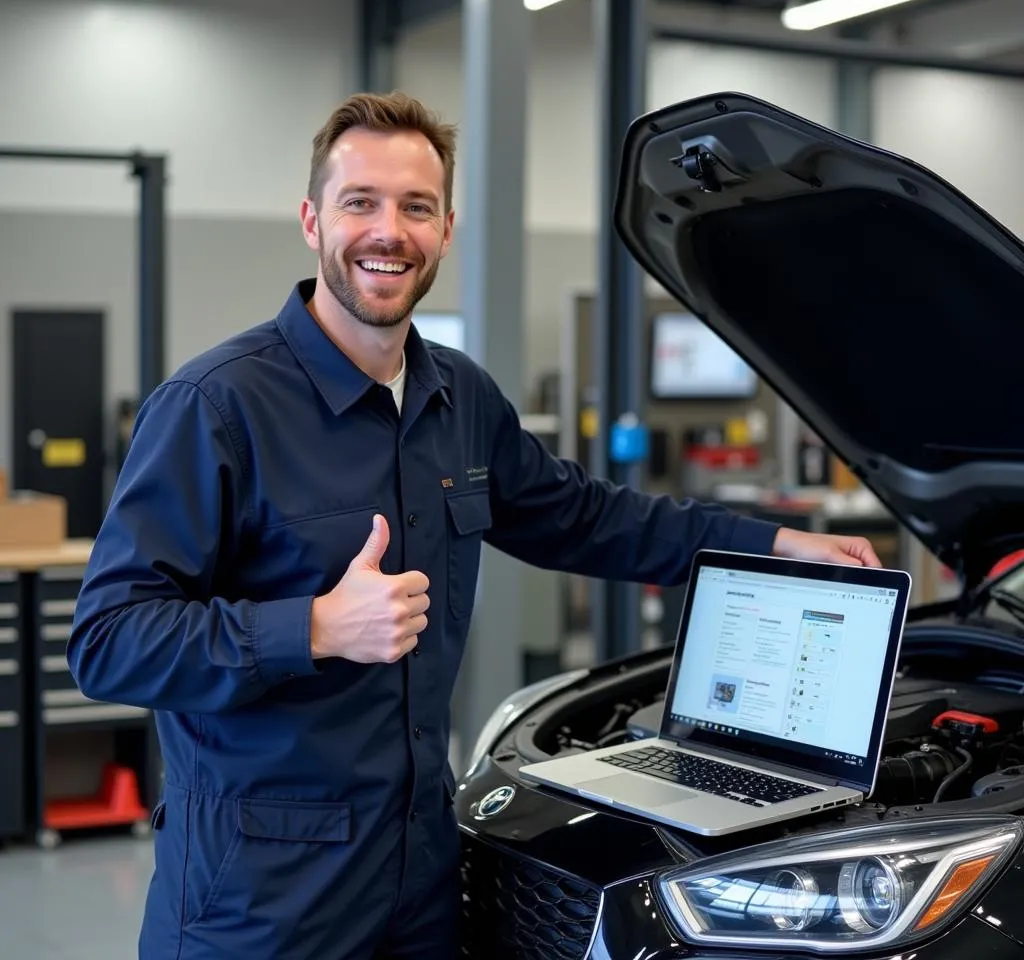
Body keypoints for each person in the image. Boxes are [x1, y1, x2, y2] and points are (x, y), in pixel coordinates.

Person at [67, 91, 880, 960]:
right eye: (360, 203)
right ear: (311, 220)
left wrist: (773, 543)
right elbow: (110, 639)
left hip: (421, 880)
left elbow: (584, 517)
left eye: (416, 207)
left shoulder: (457, 397)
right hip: (259, 902)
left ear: (446, 230)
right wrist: (311, 628)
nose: (390, 231)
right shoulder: (214, 407)